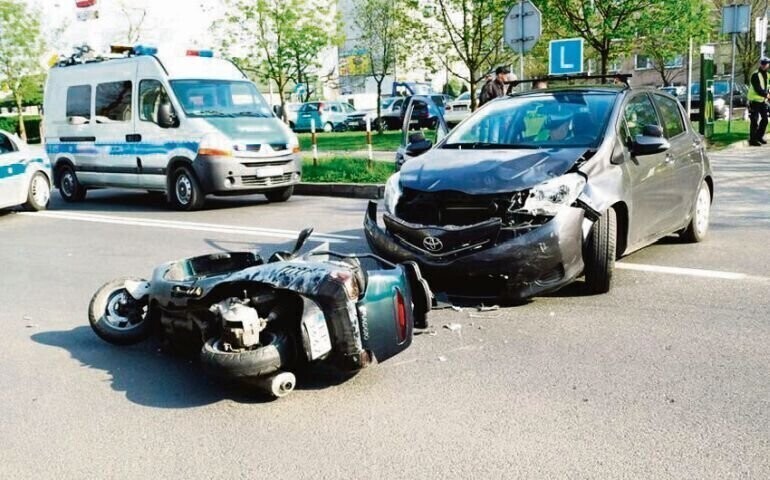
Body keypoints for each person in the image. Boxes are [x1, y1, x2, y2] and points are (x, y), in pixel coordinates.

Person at [748, 57, 770, 146]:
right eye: (763, 63)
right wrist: (767, 95)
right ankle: (753, 140)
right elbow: (758, 89)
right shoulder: (755, 75)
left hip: (762, 101)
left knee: (765, 120)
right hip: (754, 100)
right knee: (754, 120)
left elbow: (767, 87)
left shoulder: (768, 75)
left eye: (766, 64)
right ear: (760, 64)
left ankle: (759, 137)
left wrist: (767, 95)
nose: (764, 65)